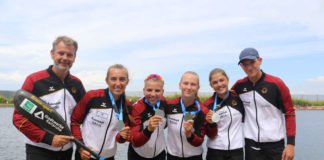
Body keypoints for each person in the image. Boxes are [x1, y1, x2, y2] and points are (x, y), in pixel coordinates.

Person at [12, 36, 86, 160]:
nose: (65, 58)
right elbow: (18, 118)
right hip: (39, 150)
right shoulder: (34, 80)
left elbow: (83, 117)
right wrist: (48, 138)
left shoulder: (76, 84)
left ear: (74, 58)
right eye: (61, 53)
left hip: (67, 151)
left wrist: (81, 144)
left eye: (69, 55)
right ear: (52, 54)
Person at [232, 48, 296, 160]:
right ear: (241, 66)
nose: (249, 67)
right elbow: (225, 99)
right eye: (244, 64)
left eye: (252, 62)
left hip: (275, 146)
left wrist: (291, 144)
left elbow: (289, 113)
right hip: (251, 146)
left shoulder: (276, 84)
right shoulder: (239, 86)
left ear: (260, 60)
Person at [71, 64, 132, 160]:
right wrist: (80, 147)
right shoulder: (92, 96)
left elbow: (119, 137)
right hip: (86, 155)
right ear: (107, 80)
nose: (118, 83)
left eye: (122, 79)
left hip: (108, 157)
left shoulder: (127, 106)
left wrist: (122, 136)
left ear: (127, 81)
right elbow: (74, 122)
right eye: (113, 79)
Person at [165, 71, 217, 160]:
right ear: (180, 85)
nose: (188, 87)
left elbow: (200, 141)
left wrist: (190, 135)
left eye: (193, 84)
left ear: (198, 87)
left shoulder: (203, 111)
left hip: (194, 157)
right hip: (172, 156)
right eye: (185, 83)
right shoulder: (169, 105)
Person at [204, 68, 245, 160]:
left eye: (221, 80)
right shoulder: (207, 105)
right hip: (215, 151)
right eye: (215, 82)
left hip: (236, 151)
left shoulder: (239, 99)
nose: (219, 84)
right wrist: (211, 124)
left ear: (227, 80)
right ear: (211, 85)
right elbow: (209, 134)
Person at [129, 74, 167, 160]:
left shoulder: (164, 103)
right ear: (143, 90)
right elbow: (134, 141)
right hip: (138, 155)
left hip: (159, 153)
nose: (153, 94)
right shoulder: (136, 108)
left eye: (157, 90)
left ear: (162, 91)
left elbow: (166, 124)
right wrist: (148, 130)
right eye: (149, 90)